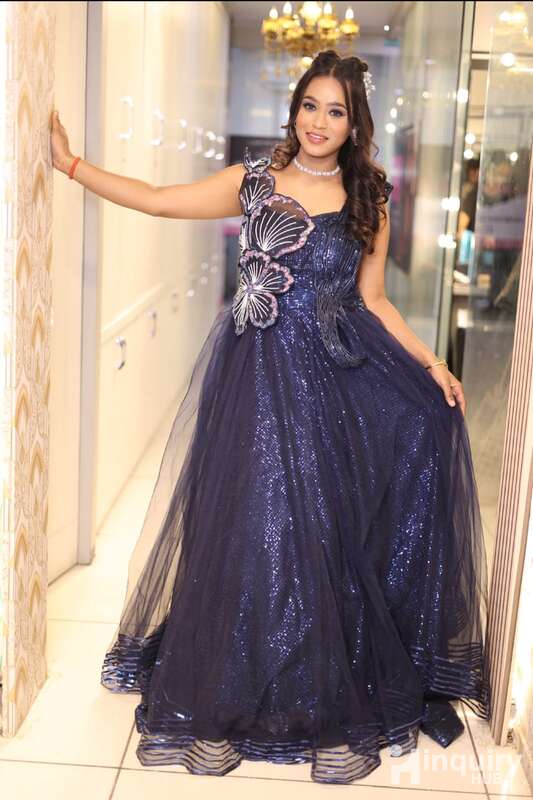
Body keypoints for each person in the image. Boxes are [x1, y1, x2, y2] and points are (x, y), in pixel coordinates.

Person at [50, 49, 491, 785]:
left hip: (332, 380)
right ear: (294, 110)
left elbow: (374, 300)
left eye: (335, 111)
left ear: (353, 125)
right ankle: (240, 668)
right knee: (252, 521)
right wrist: (71, 166)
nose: (319, 122)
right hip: (253, 378)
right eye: (310, 105)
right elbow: (159, 198)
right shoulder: (252, 182)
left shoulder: (368, 198)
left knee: (322, 526)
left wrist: (430, 364)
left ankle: (312, 676)